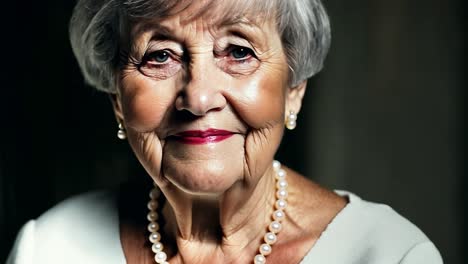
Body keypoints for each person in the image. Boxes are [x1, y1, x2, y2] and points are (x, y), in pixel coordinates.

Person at [6, 0, 443, 263]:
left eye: (238, 51)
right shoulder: (48, 250)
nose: (198, 98)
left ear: (293, 90)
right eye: (160, 56)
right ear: (117, 99)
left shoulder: (390, 255)